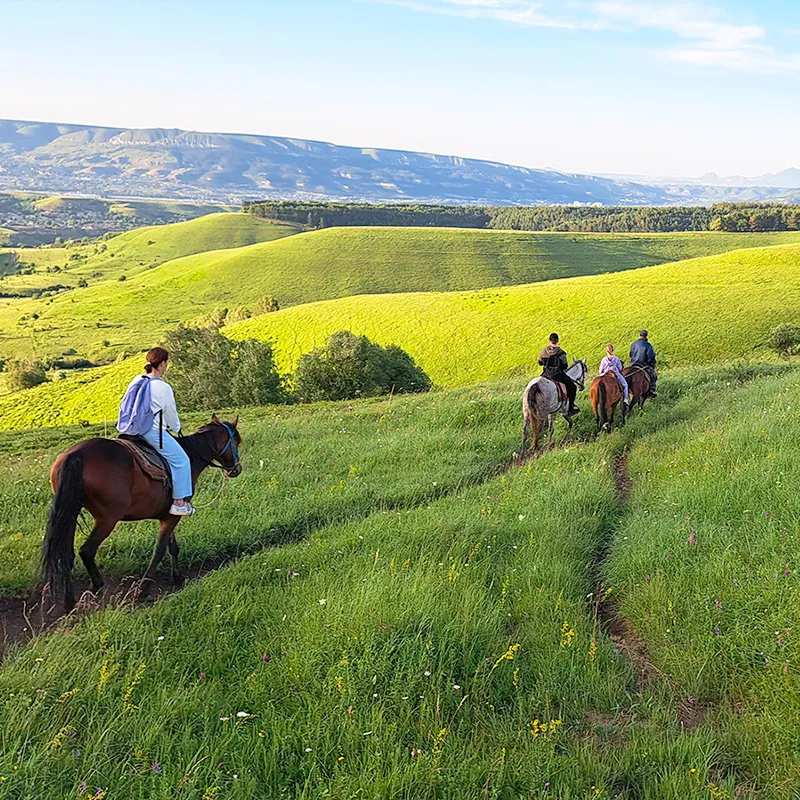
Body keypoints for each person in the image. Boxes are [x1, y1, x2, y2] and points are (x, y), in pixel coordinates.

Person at [117, 347, 195, 516]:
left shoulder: (137, 379)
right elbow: (170, 413)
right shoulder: (163, 387)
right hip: (151, 432)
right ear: (163, 364)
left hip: (128, 429)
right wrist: (176, 428)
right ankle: (179, 503)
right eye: (167, 362)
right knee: (181, 460)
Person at [539, 332, 579, 415]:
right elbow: (565, 366)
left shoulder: (543, 351)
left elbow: (540, 363)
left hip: (546, 374)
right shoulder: (561, 353)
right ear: (557, 341)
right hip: (558, 375)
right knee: (573, 387)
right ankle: (570, 408)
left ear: (549, 341)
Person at [629, 329, 657, 397]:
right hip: (643, 365)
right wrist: (650, 363)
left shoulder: (633, 344)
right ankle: (650, 391)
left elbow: (630, 354)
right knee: (653, 376)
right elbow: (651, 356)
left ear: (640, 335)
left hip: (633, 364)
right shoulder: (648, 345)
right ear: (646, 336)